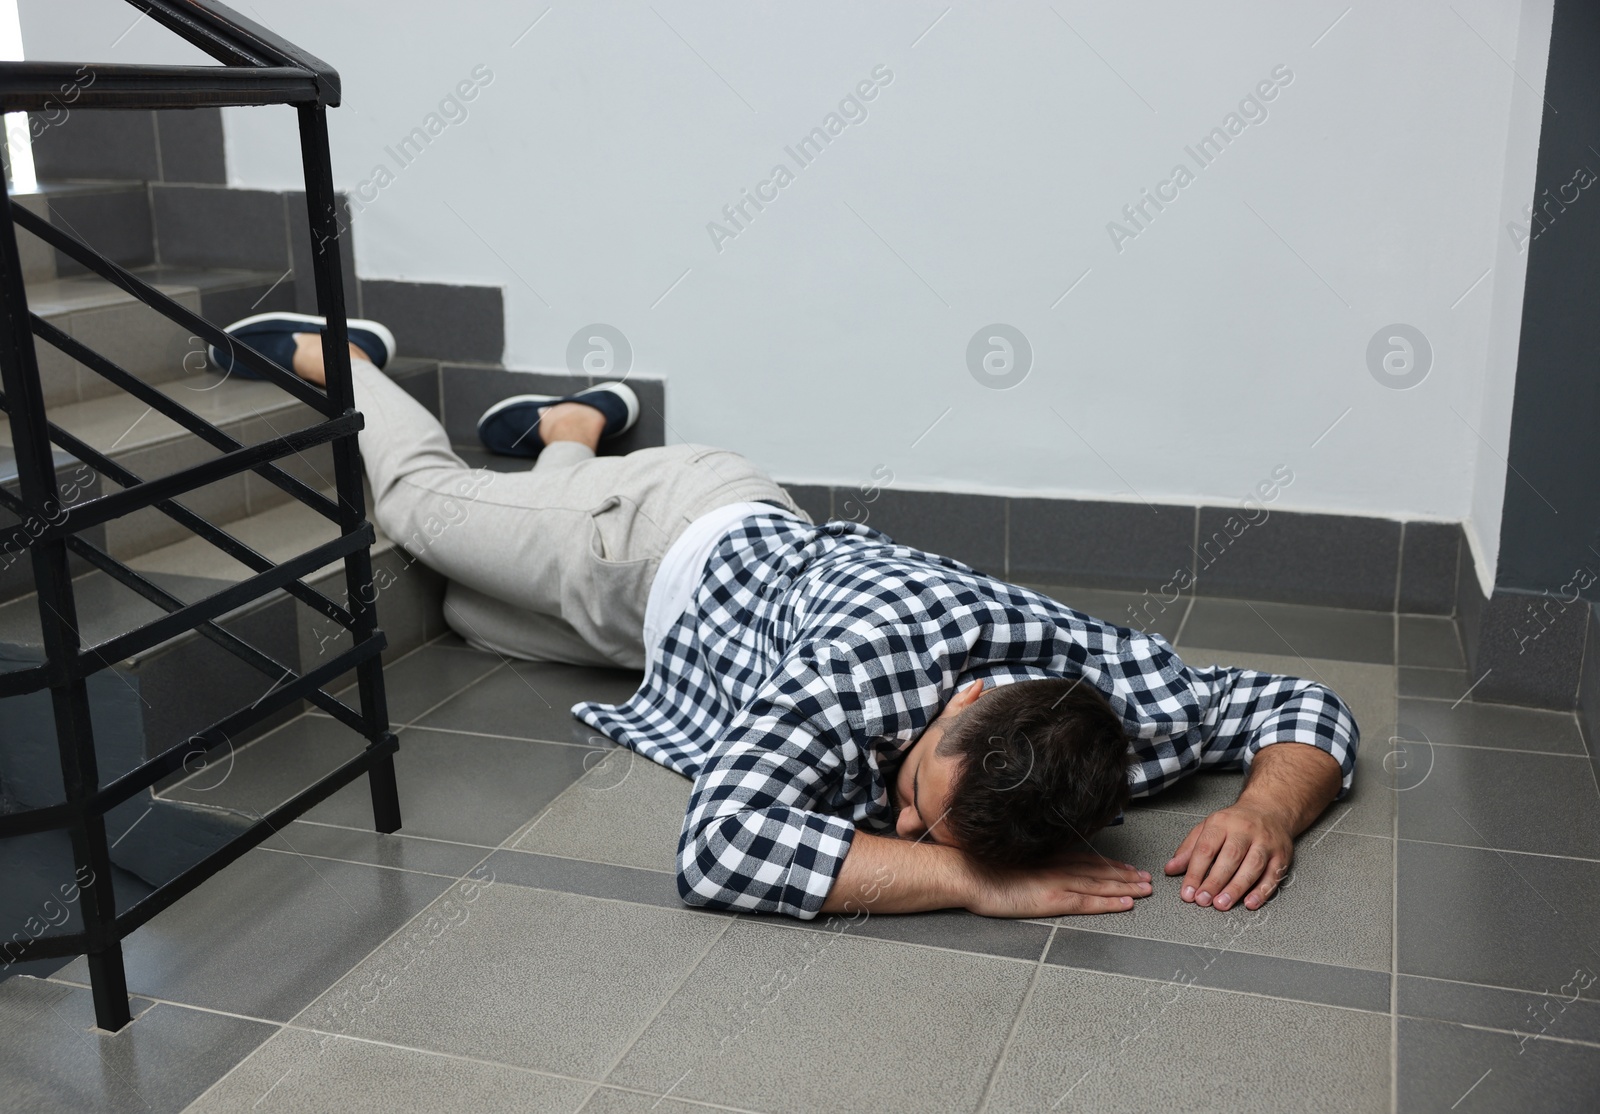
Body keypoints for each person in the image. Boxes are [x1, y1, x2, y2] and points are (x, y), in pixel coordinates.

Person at [212, 313, 1360, 923]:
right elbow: (719, 849)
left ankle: (569, 429)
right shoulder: (864, 671)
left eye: (931, 836)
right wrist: (971, 883)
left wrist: (1269, 805)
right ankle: (346, 358)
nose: (902, 834)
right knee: (415, 509)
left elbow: (1301, 704)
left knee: (462, 609)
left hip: (683, 618)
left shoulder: (1120, 705)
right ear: (957, 701)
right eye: (917, 800)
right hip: (640, 543)